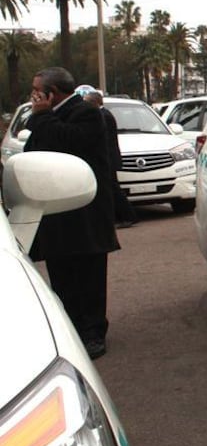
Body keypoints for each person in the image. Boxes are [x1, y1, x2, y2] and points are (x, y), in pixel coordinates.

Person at [25, 68, 120, 359]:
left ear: (52, 93)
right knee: (62, 275)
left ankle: (93, 333)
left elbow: (65, 142)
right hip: (55, 212)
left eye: (37, 91)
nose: (33, 97)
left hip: (84, 214)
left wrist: (42, 115)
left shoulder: (87, 113)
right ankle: (71, 330)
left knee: (88, 275)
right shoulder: (45, 120)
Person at [80, 86, 138, 228]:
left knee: (113, 189)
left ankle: (128, 215)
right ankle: (119, 216)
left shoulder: (103, 116)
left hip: (108, 159)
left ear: (94, 102)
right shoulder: (103, 114)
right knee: (110, 189)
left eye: (86, 102)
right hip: (107, 158)